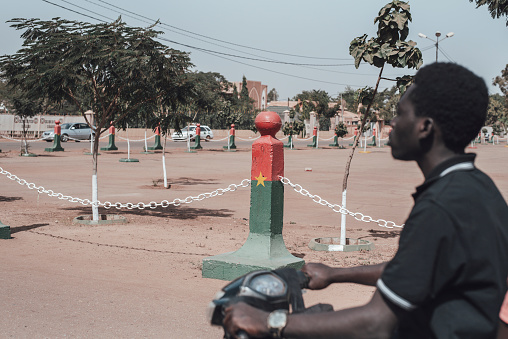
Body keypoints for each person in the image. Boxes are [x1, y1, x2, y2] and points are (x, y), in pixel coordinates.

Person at [223, 63, 508, 339]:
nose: (392, 124)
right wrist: (336, 274)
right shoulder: (479, 188)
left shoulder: (439, 207)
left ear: (425, 127)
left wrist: (272, 322)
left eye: (400, 114)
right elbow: (414, 268)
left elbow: (375, 324)